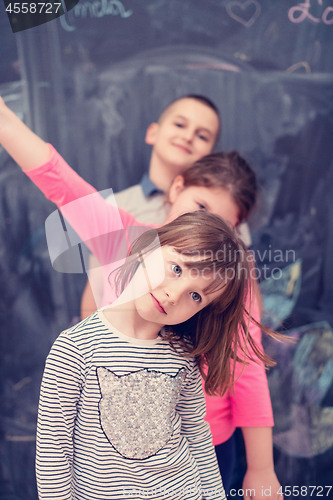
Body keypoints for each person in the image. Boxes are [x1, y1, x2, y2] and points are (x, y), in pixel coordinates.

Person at [0, 97, 282, 498]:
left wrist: (261, 466)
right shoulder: (124, 235)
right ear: (177, 188)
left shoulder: (232, 275)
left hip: (204, 445)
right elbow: (60, 181)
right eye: (200, 208)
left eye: (222, 224)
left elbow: (247, 365)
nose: (206, 227)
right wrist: (6, 121)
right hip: (107, 451)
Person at [80, 93, 223, 316]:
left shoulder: (220, 214)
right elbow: (96, 288)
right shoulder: (117, 204)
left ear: (210, 155)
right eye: (179, 124)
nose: (187, 137)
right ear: (153, 133)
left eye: (202, 136)